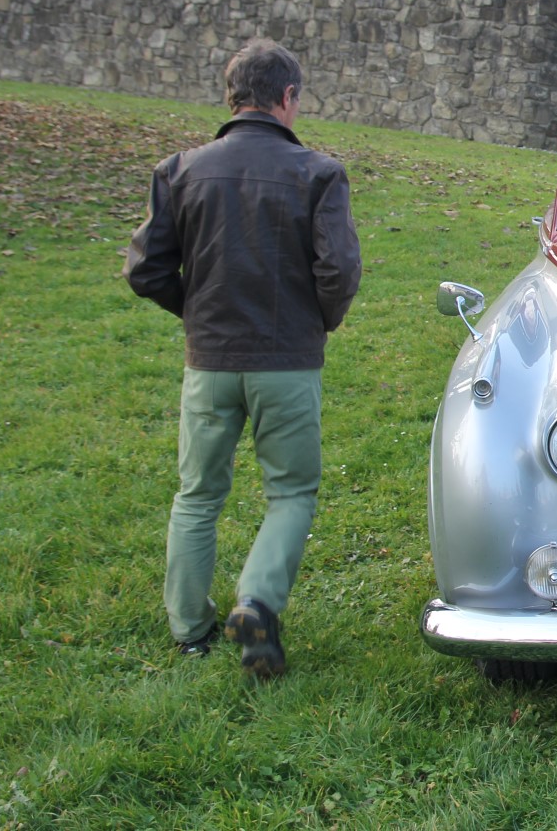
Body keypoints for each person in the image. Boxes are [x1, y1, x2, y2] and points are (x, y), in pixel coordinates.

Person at [124, 39, 361, 676]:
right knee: (291, 493)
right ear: (288, 99)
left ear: (230, 98)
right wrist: (320, 324)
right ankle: (256, 600)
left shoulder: (179, 170)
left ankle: (188, 626)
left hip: (209, 362)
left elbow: (146, 270)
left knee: (197, 494)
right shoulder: (319, 173)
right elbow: (338, 271)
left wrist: (197, 314)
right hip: (287, 362)